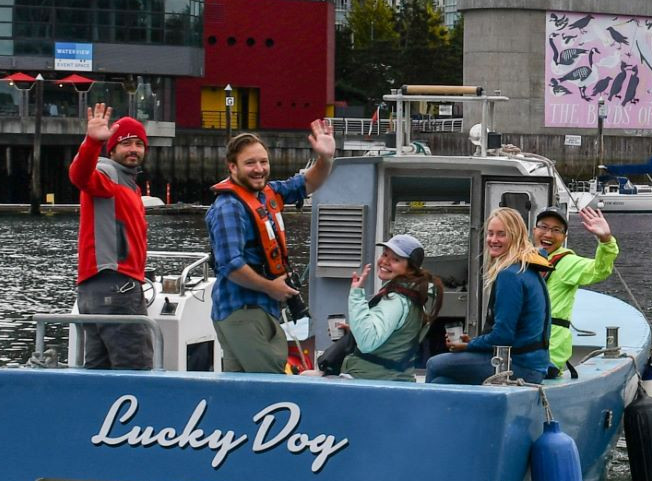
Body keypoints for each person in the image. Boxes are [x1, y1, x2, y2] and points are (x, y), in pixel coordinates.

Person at [205, 120, 335, 372]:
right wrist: (272, 288)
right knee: (271, 381)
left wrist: (326, 158)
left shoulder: (268, 193)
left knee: (242, 389)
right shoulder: (228, 208)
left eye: (263, 162)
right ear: (232, 167)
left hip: (261, 309)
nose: (259, 169)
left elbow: (307, 183)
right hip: (242, 310)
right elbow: (230, 265)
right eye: (250, 163)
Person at [68, 102, 153, 369]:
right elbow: (80, 176)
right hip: (117, 287)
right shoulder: (107, 172)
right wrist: (92, 142)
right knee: (135, 367)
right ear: (112, 148)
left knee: (97, 370)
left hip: (95, 291)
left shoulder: (130, 185)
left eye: (139, 144)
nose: (134, 150)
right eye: (126, 143)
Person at [425, 207, 550, 385]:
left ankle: (424, 413)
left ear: (515, 237)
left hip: (521, 366)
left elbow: (503, 336)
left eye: (501, 234)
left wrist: (468, 346)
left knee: (434, 364)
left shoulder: (510, 275)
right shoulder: (527, 269)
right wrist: (474, 342)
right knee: (442, 381)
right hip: (534, 365)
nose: (493, 240)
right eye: (490, 234)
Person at [339, 233, 443, 381]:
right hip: (395, 379)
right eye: (385, 254)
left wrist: (356, 295)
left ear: (410, 269)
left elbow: (368, 342)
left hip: (373, 381)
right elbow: (397, 338)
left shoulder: (396, 299)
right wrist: (354, 327)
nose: (385, 261)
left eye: (395, 259)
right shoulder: (414, 296)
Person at [529, 205, 616, 378]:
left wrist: (606, 240)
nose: (548, 235)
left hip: (549, 352)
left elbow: (600, 270)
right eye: (544, 227)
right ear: (534, 230)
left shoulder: (568, 263)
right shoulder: (525, 258)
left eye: (556, 230)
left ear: (564, 237)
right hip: (523, 346)